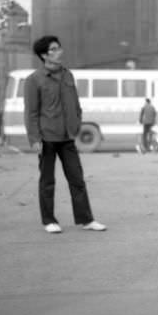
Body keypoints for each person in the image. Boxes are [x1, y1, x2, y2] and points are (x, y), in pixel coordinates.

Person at [24, 35, 107, 233]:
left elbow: (75, 104)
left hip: (67, 137)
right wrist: (35, 139)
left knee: (77, 179)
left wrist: (77, 123)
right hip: (47, 138)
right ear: (44, 55)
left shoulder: (68, 75)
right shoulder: (34, 80)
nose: (59, 52)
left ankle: (86, 219)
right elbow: (31, 112)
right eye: (54, 49)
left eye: (59, 48)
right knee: (47, 181)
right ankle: (49, 221)